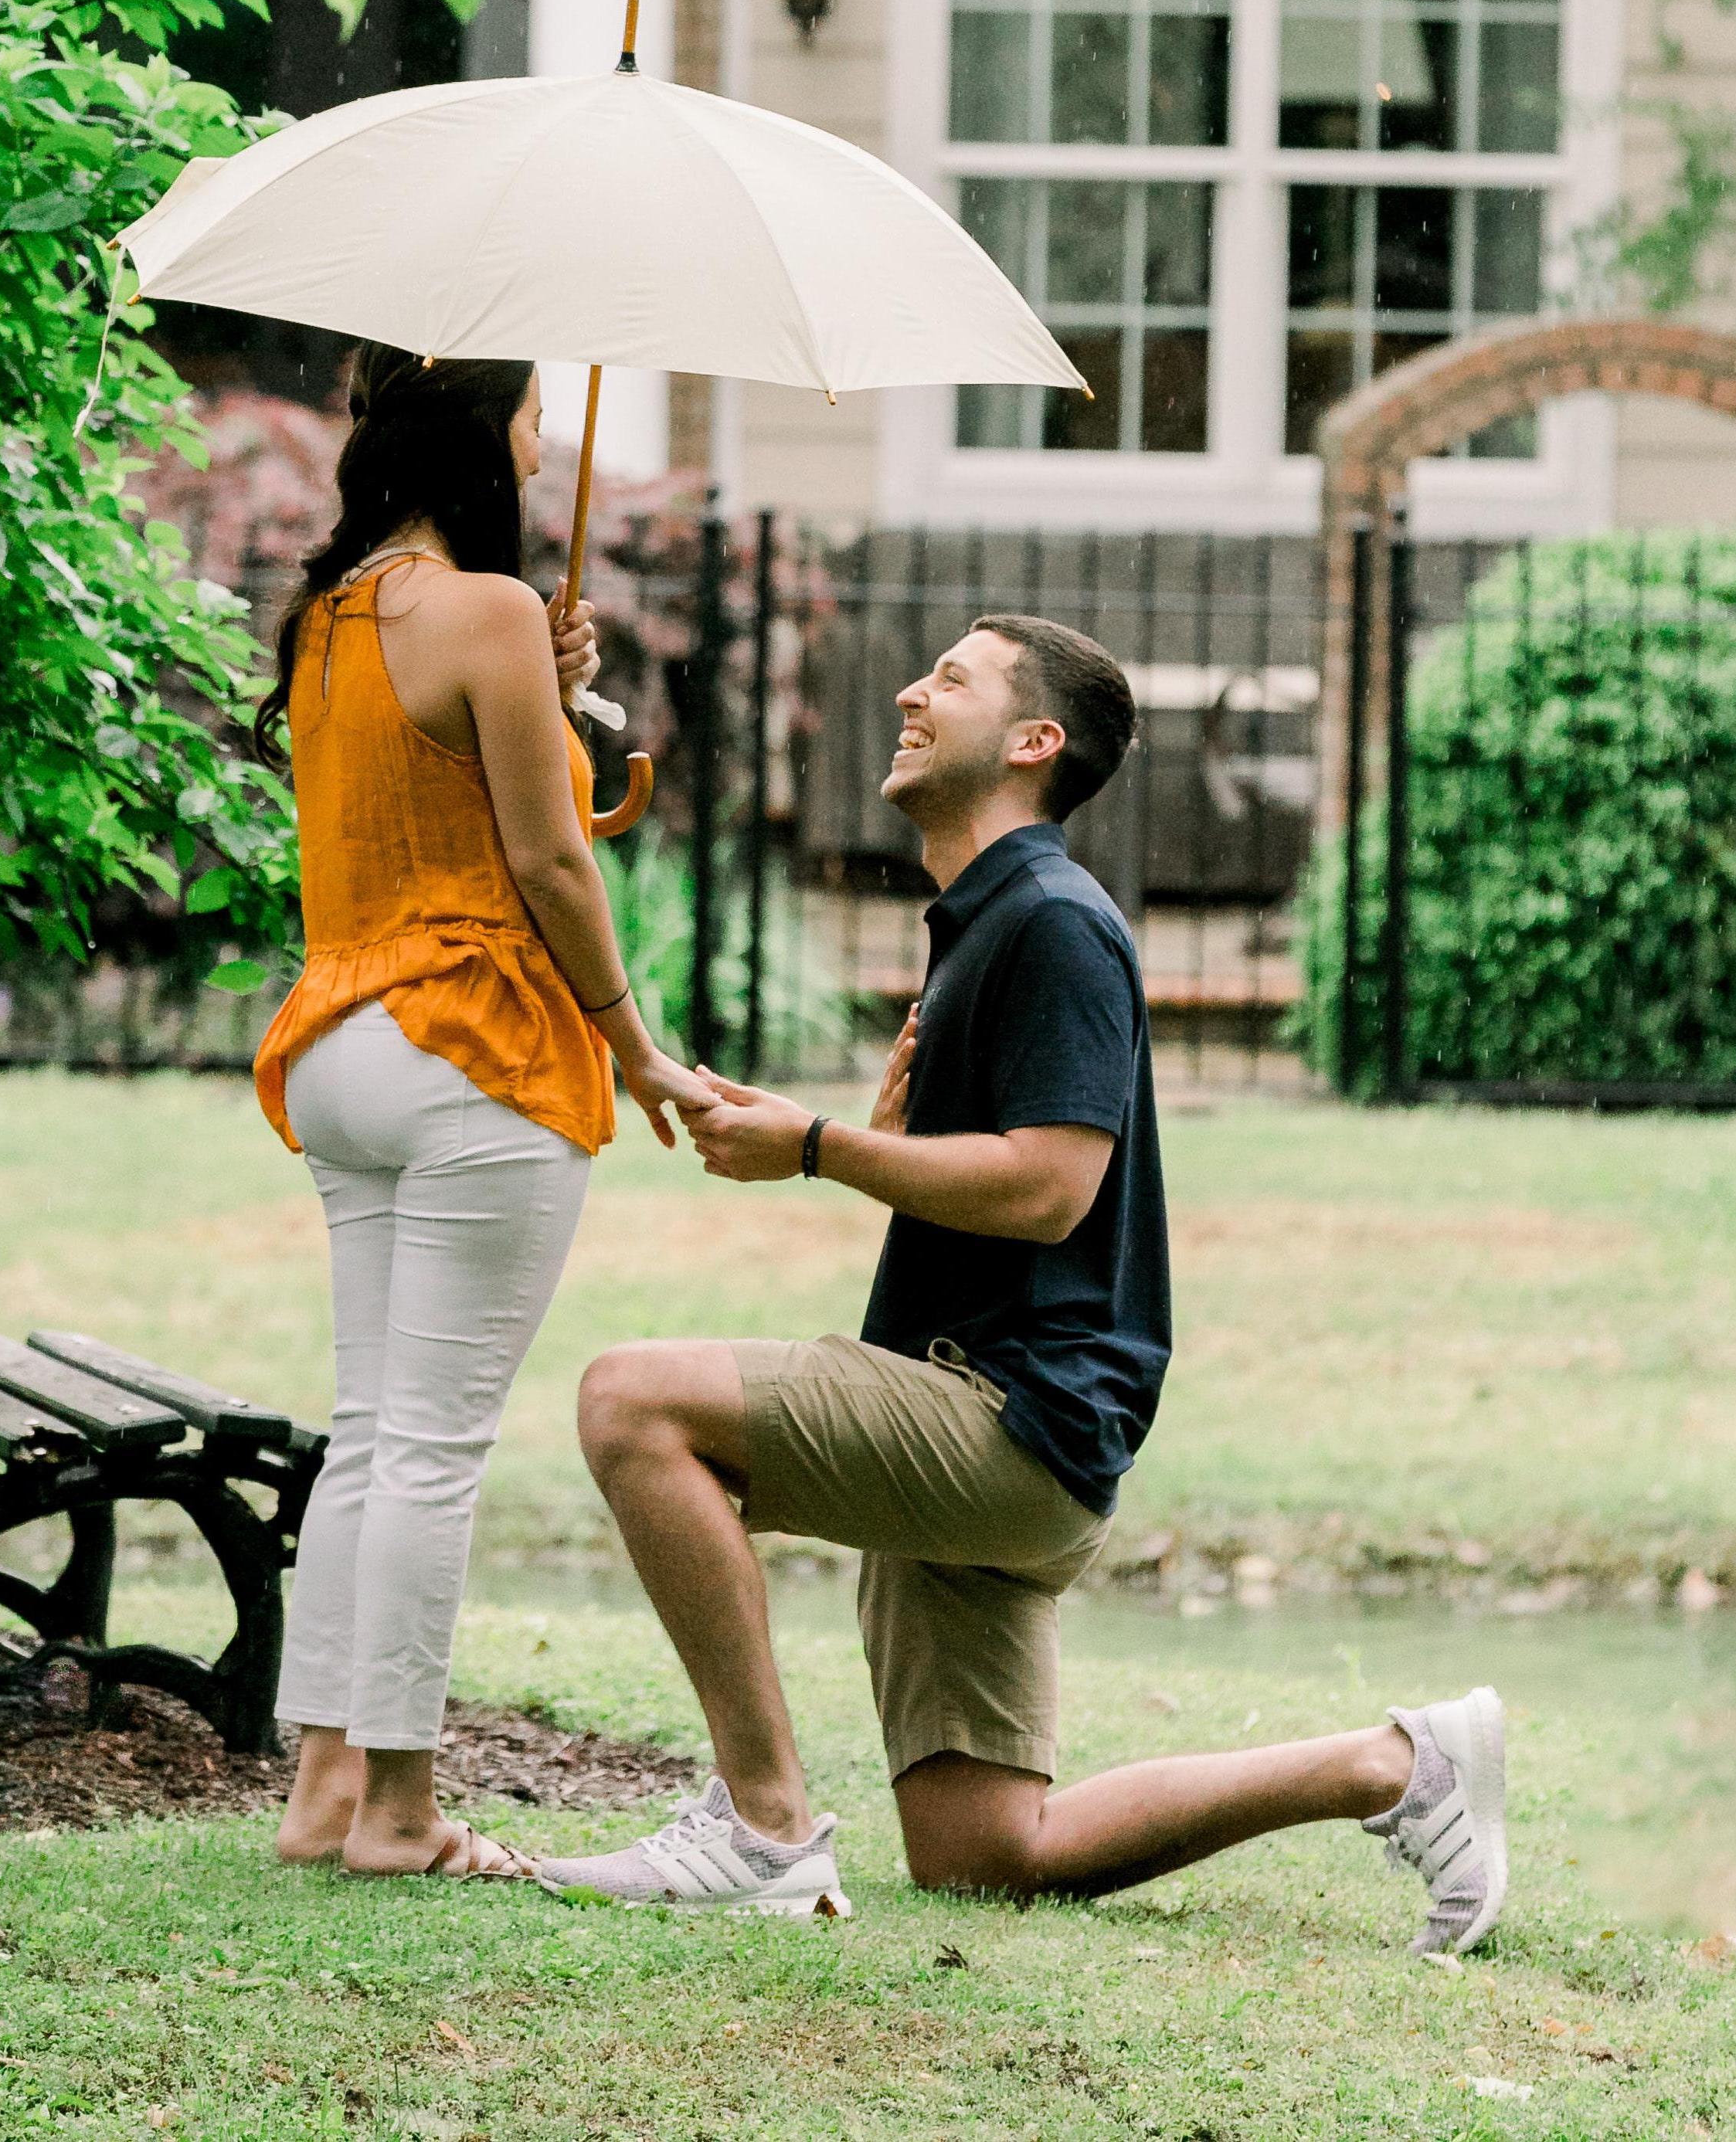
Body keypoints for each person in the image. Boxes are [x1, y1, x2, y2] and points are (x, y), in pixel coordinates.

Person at [538, 616, 1507, 1944]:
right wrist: (855, 1131)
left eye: (951, 679)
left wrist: (822, 1148)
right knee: (987, 1855)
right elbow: (982, 1175)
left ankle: (761, 1828)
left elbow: (1055, 1183)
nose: (909, 691)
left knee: (629, 1403)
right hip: (998, 1419)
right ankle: (1399, 1766)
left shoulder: (1053, 921)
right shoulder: (990, 920)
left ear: (1033, 742)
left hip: (1005, 1418)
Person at [249, 346, 712, 1881]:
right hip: (473, 1045)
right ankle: (395, 1811)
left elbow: (453, 800)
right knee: (432, 1446)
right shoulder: (492, 610)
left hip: (340, 1043)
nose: (539, 449)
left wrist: (557, 697)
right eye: (529, 422)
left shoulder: (328, 615)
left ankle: (321, 1793)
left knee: (371, 1434)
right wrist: (635, 1045)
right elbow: (551, 862)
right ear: (474, 442)